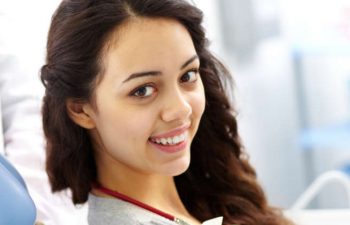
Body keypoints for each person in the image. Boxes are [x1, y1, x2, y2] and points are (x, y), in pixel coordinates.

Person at [40, 0, 293, 224]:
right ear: (80, 109)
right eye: (142, 91)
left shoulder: (204, 191)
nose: (180, 108)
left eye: (188, 75)